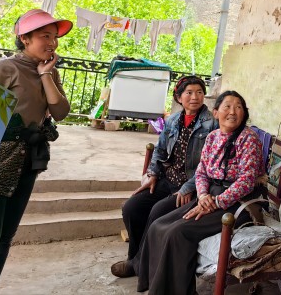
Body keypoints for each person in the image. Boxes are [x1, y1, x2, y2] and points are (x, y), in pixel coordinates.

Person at [0, 9, 73, 295]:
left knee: (3, 241)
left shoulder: (49, 70)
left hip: (26, 163)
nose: (52, 43)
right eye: (45, 36)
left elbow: (60, 112)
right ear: (25, 38)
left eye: (54, 37)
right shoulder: (5, 68)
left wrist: (46, 75)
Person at [134, 90, 264, 295]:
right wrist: (203, 196)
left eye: (238, 107)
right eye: (227, 106)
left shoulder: (249, 139)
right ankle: (157, 286)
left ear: (244, 114)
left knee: (178, 233)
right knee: (158, 225)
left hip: (238, 204)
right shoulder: (212, 137)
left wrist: (217, 202)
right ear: (216, 113)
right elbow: (201, 172)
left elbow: (246, 182)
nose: (233, 111)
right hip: (208, 196)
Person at [111, 75, 217, 276]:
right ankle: (135, 257)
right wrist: (152, 174)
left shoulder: (212, 124)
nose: (195, 97)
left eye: (199, 92)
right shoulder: (173, 120)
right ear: (179, 97)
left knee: (157, 212)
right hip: (167, 180)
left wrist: (189, 187)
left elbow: (209, 165)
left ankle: (140, 265)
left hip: (191, 187)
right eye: (189, 92)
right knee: (132, 208)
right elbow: (159, 151)